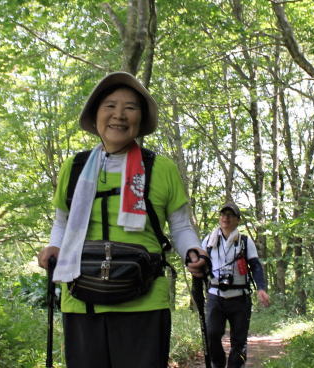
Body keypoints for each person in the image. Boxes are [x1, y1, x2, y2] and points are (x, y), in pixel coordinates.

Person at [37, 71, 207, 368]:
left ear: (140, 119)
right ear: (96, 116)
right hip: (80, 297)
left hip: (145, 299)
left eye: (130, 107)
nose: (119, 115)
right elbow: (62, 221)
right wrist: (54, 246)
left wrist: (193, 252)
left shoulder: (161, 168)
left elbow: (180, 225)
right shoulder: (74, 167)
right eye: (110, 106)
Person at [201, 202, 270, 368]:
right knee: (212, 334)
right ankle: (218, 364)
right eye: (223, 214)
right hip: (215, 296)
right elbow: (200, 266)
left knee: (239, 341)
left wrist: (261, 288)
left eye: (230, 215)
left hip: (240, 298)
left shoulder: (245, 242)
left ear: (237, 220)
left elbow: (255, 266)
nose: (226, 218)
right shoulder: (208, 241)